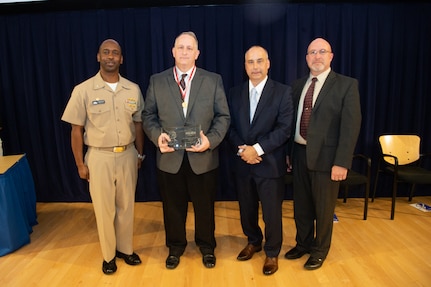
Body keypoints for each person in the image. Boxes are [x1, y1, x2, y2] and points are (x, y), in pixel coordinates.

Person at [142, 31, 230, 269]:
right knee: (172, 208)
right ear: (172, 51)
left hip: (203, 158)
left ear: (197, 53)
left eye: (189, 48)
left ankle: (207, 246)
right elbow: (148, 115)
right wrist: (155, 135)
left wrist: (210, 141)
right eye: (180, 47)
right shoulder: (157, 81)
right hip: (169, 158)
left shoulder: (212, 80)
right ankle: (175, 247)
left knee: (205, 208)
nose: (184, 52)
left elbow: (223, 116)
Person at [61, 39, 145, 275]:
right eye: (106, 52)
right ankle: (109, 256)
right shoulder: (83, 90)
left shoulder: (133, 89)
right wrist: (80, 163)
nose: (110, 56)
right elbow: (76, 130)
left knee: (127, 206)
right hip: (99, 158)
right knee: (104, 209)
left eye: (115, 53)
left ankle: (126, 249)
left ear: (121, 59)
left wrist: (140, 153)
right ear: (98, 57)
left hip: (128, 155)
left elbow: (138, 125)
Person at [284, 38, 361, 270]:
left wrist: (342, 162)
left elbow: (351, 126)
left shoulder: (346, 85)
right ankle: (303, 244)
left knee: (324, 209)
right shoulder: (298, 85)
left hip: (328, 161)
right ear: (306, 58)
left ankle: (319, 250)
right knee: (301, 206)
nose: (317, 56)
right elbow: (290, 123)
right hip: (298, 155)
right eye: (312, 52)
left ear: (331, 56)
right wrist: (289, 153)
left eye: (322, 52)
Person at [227, 46, 293, 275]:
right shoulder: (234, 93)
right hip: (242, 162)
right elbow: (230, 127)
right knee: (246, 208)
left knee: (272, 212)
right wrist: (244, 151)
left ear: (268, 64)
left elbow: (284, 129)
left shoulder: (283, 92)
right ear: (245, 66)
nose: (255, 66)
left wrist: (257, 149)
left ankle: (272, 252)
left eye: (259, 61)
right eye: (250, 62)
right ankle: (253, 241)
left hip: (270, 163)